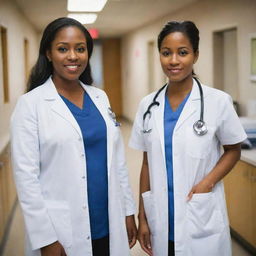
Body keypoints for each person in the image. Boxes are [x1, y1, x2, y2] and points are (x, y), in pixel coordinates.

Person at [11, 17, 137, 256]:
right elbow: (26, 178)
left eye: (80, 49)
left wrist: (128, 210)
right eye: (62, 49)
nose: (73, 56)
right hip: (61, 229)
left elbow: (117, 161)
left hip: (109, 220)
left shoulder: (100, 97)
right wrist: (45, 238)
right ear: (48, 53)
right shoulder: (31, 104)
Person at [129, 21, 247, 256]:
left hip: (199, 214)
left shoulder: (218, 101)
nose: (174, 60)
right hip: (161, 218)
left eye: (182, 52)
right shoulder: (148, 105)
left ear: (195, 55)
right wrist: (143, 217)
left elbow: (234, 149)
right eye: (166, 53)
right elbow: (146, 164)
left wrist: (208, 182)